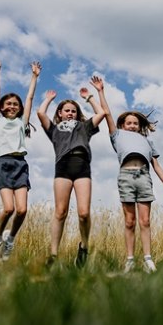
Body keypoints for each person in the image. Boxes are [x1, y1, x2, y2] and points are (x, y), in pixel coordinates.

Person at [92, 75, 163, 273]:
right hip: (125, 176)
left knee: (145, 221)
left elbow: (156, 165)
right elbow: (107, 115)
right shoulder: (117, 136)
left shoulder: (147, 142)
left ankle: (148, 259)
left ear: (140, 126)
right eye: (128, 123)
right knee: (130, 222)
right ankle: (130, 260)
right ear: (123, 125)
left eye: (135, 123)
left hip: (144, 177)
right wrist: (100, 91)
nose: (132, 125)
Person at [37, 79, 106, 268]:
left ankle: (84, 247)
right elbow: (40, 113)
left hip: (82, 166)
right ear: (60, 113)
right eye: (67, 110)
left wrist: (89, 97)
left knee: (84, 213)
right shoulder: (54, 129)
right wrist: (49, 99)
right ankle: (53, 254)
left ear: (77, 114)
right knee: (60, 212)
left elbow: (102, 113)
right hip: (63, 167)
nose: (70, 113)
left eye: (73, 111)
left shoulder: (84, 127)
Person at [0, 58, 40, 262]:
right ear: (1, 107)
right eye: (8, 104)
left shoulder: (21, 122)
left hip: (20, 165)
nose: (12, 106)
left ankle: (10, 240)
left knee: (22, 210)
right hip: (3, 164)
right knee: (9, 209)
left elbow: (30, 97)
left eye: (15, 104)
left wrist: (34, 77)